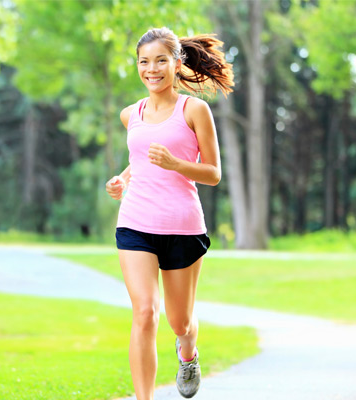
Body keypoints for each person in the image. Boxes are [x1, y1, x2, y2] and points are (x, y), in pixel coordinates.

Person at [105, 27, 234, 400]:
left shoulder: (194, 110)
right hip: (135, 224)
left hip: (182, 226)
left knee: (179, 322)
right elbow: (140, 161)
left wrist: (178, 163)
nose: (152, 69)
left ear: (177, 64)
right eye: (144, 62)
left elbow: (213, 173)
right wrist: (121, 181)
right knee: (145, 312)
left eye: (161, 60)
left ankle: (188, 352)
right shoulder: (131, 114)